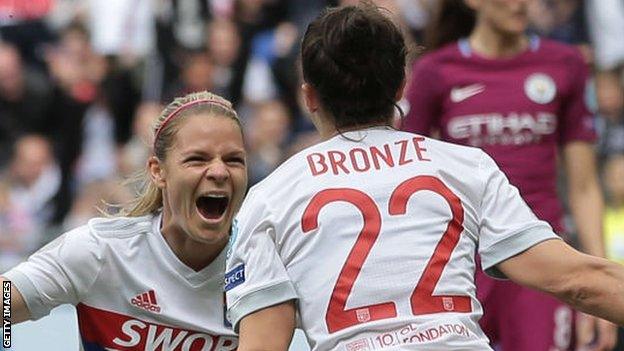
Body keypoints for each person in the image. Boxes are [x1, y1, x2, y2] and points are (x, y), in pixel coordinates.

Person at [224, 3, 624, 351]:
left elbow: (263, 344)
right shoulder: (468, 167)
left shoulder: (268, 199)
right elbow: (578, 279)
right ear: (401, 86)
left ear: (308, 96)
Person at [401, 0, 616, 350]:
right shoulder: (435, 71)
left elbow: (585, 186)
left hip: (542, 261)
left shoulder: (565, 63)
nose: (520, 5)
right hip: (461, 262)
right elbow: (408, 175)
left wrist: (600, 289)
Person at [1, 91, 246, 350]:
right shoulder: (100, 251)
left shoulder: (261, 260)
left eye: (234, 160)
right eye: (198, 159)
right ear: (158, 171)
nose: (219, 172)